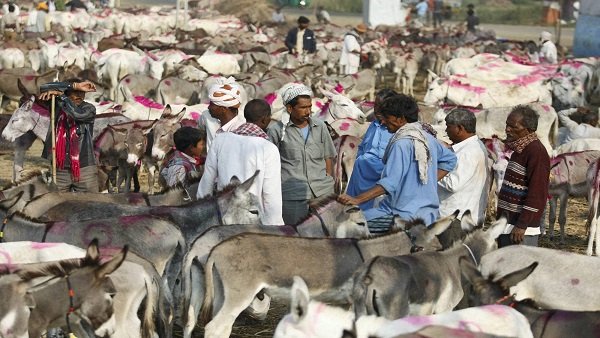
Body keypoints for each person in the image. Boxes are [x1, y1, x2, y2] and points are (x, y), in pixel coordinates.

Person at [338, 94, 457, 233]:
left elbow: (390, 183)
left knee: (346, 225)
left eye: (387, 119)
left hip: (400, 215)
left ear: (400, 119)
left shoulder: (401, 143)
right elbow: (450, 160)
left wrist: (357, 199)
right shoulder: (426, 137)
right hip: (429, 213)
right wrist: (424, 182)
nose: (383, 123)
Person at [198, 99, 283, 225]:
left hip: (223, 214)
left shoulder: (221, 140)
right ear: (266, 119)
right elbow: (271, 196)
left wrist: (202, 215)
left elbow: (207, 182)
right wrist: (275, 227)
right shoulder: (268, 148)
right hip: (250, 220)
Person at [267, 84, 336, 225]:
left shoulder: (320, 127)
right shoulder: (276, 131)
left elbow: (328, 156)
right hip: (292, 196)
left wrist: (328, 181)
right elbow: (270, 165)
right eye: (303, 108)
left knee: (326, 235)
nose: (308, 111)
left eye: (310, 107)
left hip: (323, 192)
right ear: (290, 108)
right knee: (295, 236)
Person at [497, 105, 550, 247]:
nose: (508, 129)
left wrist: (522, 225)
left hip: (520, 231)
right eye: (507, 125)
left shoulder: (536, 152)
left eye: (513, 126)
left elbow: (538, 193)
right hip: (508, 224)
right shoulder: (519, 149)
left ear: (528, 130)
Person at [38, 79, 99, 192]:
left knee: (91, 204)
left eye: (81, 92)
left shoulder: (89, 109)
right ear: (67, 91)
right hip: (60, 169)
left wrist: (63, 97)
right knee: (59, 205)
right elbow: (43, 87)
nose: (79, 95)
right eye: (75, 91)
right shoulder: (56, 106)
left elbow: (76, 114)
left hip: (85, 169)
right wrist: (74, 85)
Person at [346, 89, 397, 210]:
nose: (377, 110)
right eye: (376, 105)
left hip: (380, 180)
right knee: (353, 211)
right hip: (360, 176)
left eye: (382, 106)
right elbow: (363, 147)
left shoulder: (396, 130)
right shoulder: (373, 125)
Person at [437, 109, 489, 226]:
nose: (446, 130)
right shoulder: (472, 146)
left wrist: (432, 168)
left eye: (448, 127)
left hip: (455, 219)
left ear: (460, 128)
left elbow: (453, 184)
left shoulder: (468, 152)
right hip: (461, 216)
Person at [198, 76, 246, 151]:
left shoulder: (243, 124)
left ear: (223, 109)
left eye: (212, 105)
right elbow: (200, 134)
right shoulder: (206, 116)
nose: (208, 107)